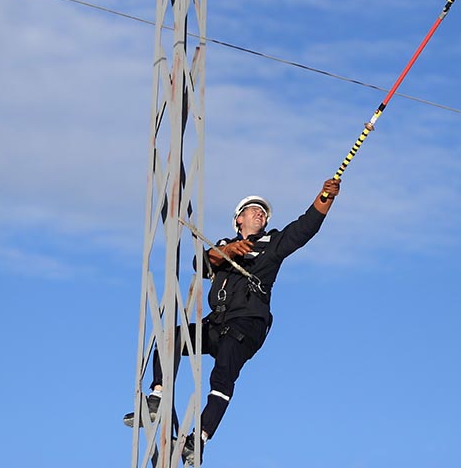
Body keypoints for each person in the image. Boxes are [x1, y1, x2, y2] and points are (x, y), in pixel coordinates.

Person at [124, 177, 341, 465]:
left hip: (246, 325)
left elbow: (304, 228)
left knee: (223, 373)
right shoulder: (224, 246)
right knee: (170, 336)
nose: (259, 213)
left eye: (262, 211)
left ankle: (198, 439)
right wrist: (225, 252)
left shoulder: (272, 245)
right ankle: (157, 397)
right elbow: (199, 265)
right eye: (252, 209)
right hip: (218, 323)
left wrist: (325, 197)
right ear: (238, 219)